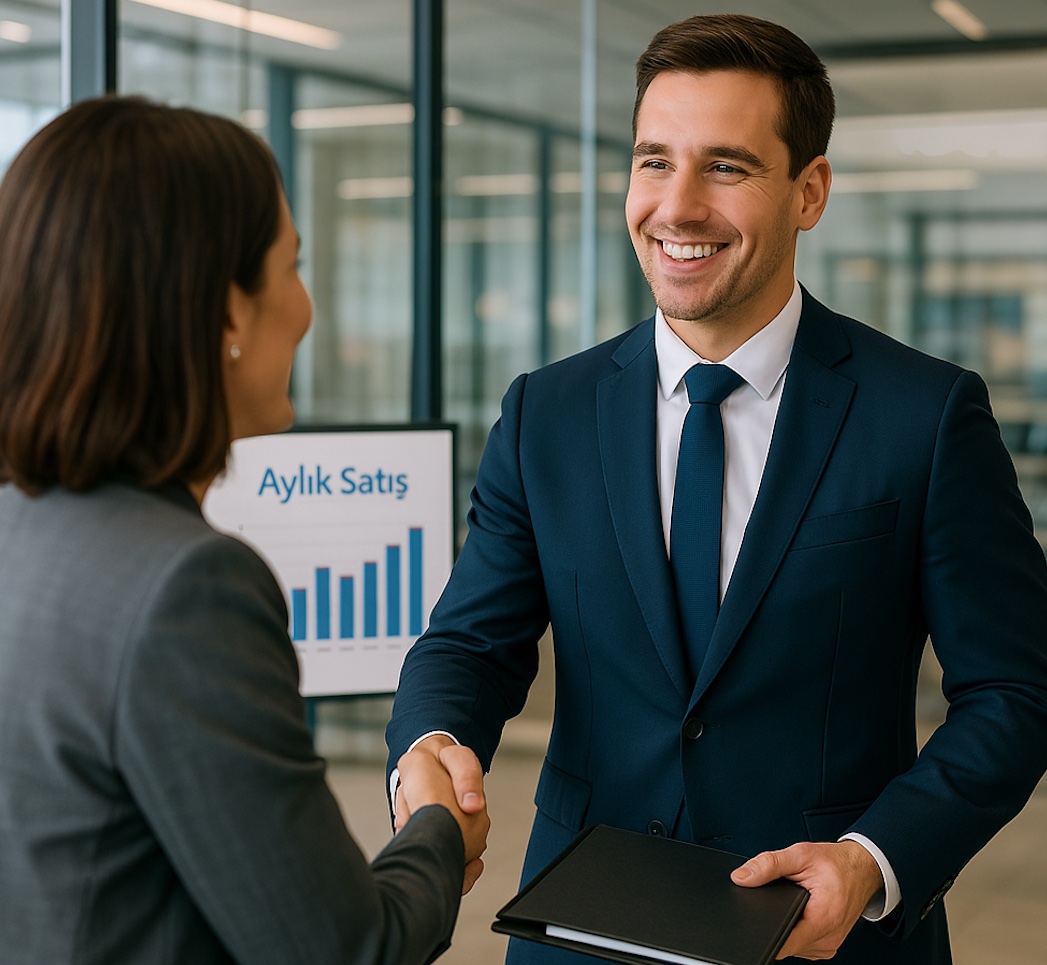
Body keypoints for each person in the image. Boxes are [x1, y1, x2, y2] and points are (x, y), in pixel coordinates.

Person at [386, 13, 1047, 965]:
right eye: (653, 161)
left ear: (808, 191)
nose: (677, 206)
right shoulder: (548, 412)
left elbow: (1014, 690)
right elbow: (470, 642)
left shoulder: (925, 415)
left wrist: (874, 859)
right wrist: (431, 740)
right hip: (581, 927)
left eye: (725, 167)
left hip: (824, 938)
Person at [0, 95, 487, 965]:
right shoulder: (186, 589)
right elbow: (343, 947)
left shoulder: (22, 528)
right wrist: (437, 830)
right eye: (292, 266)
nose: (305, 309)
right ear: (228, 314)